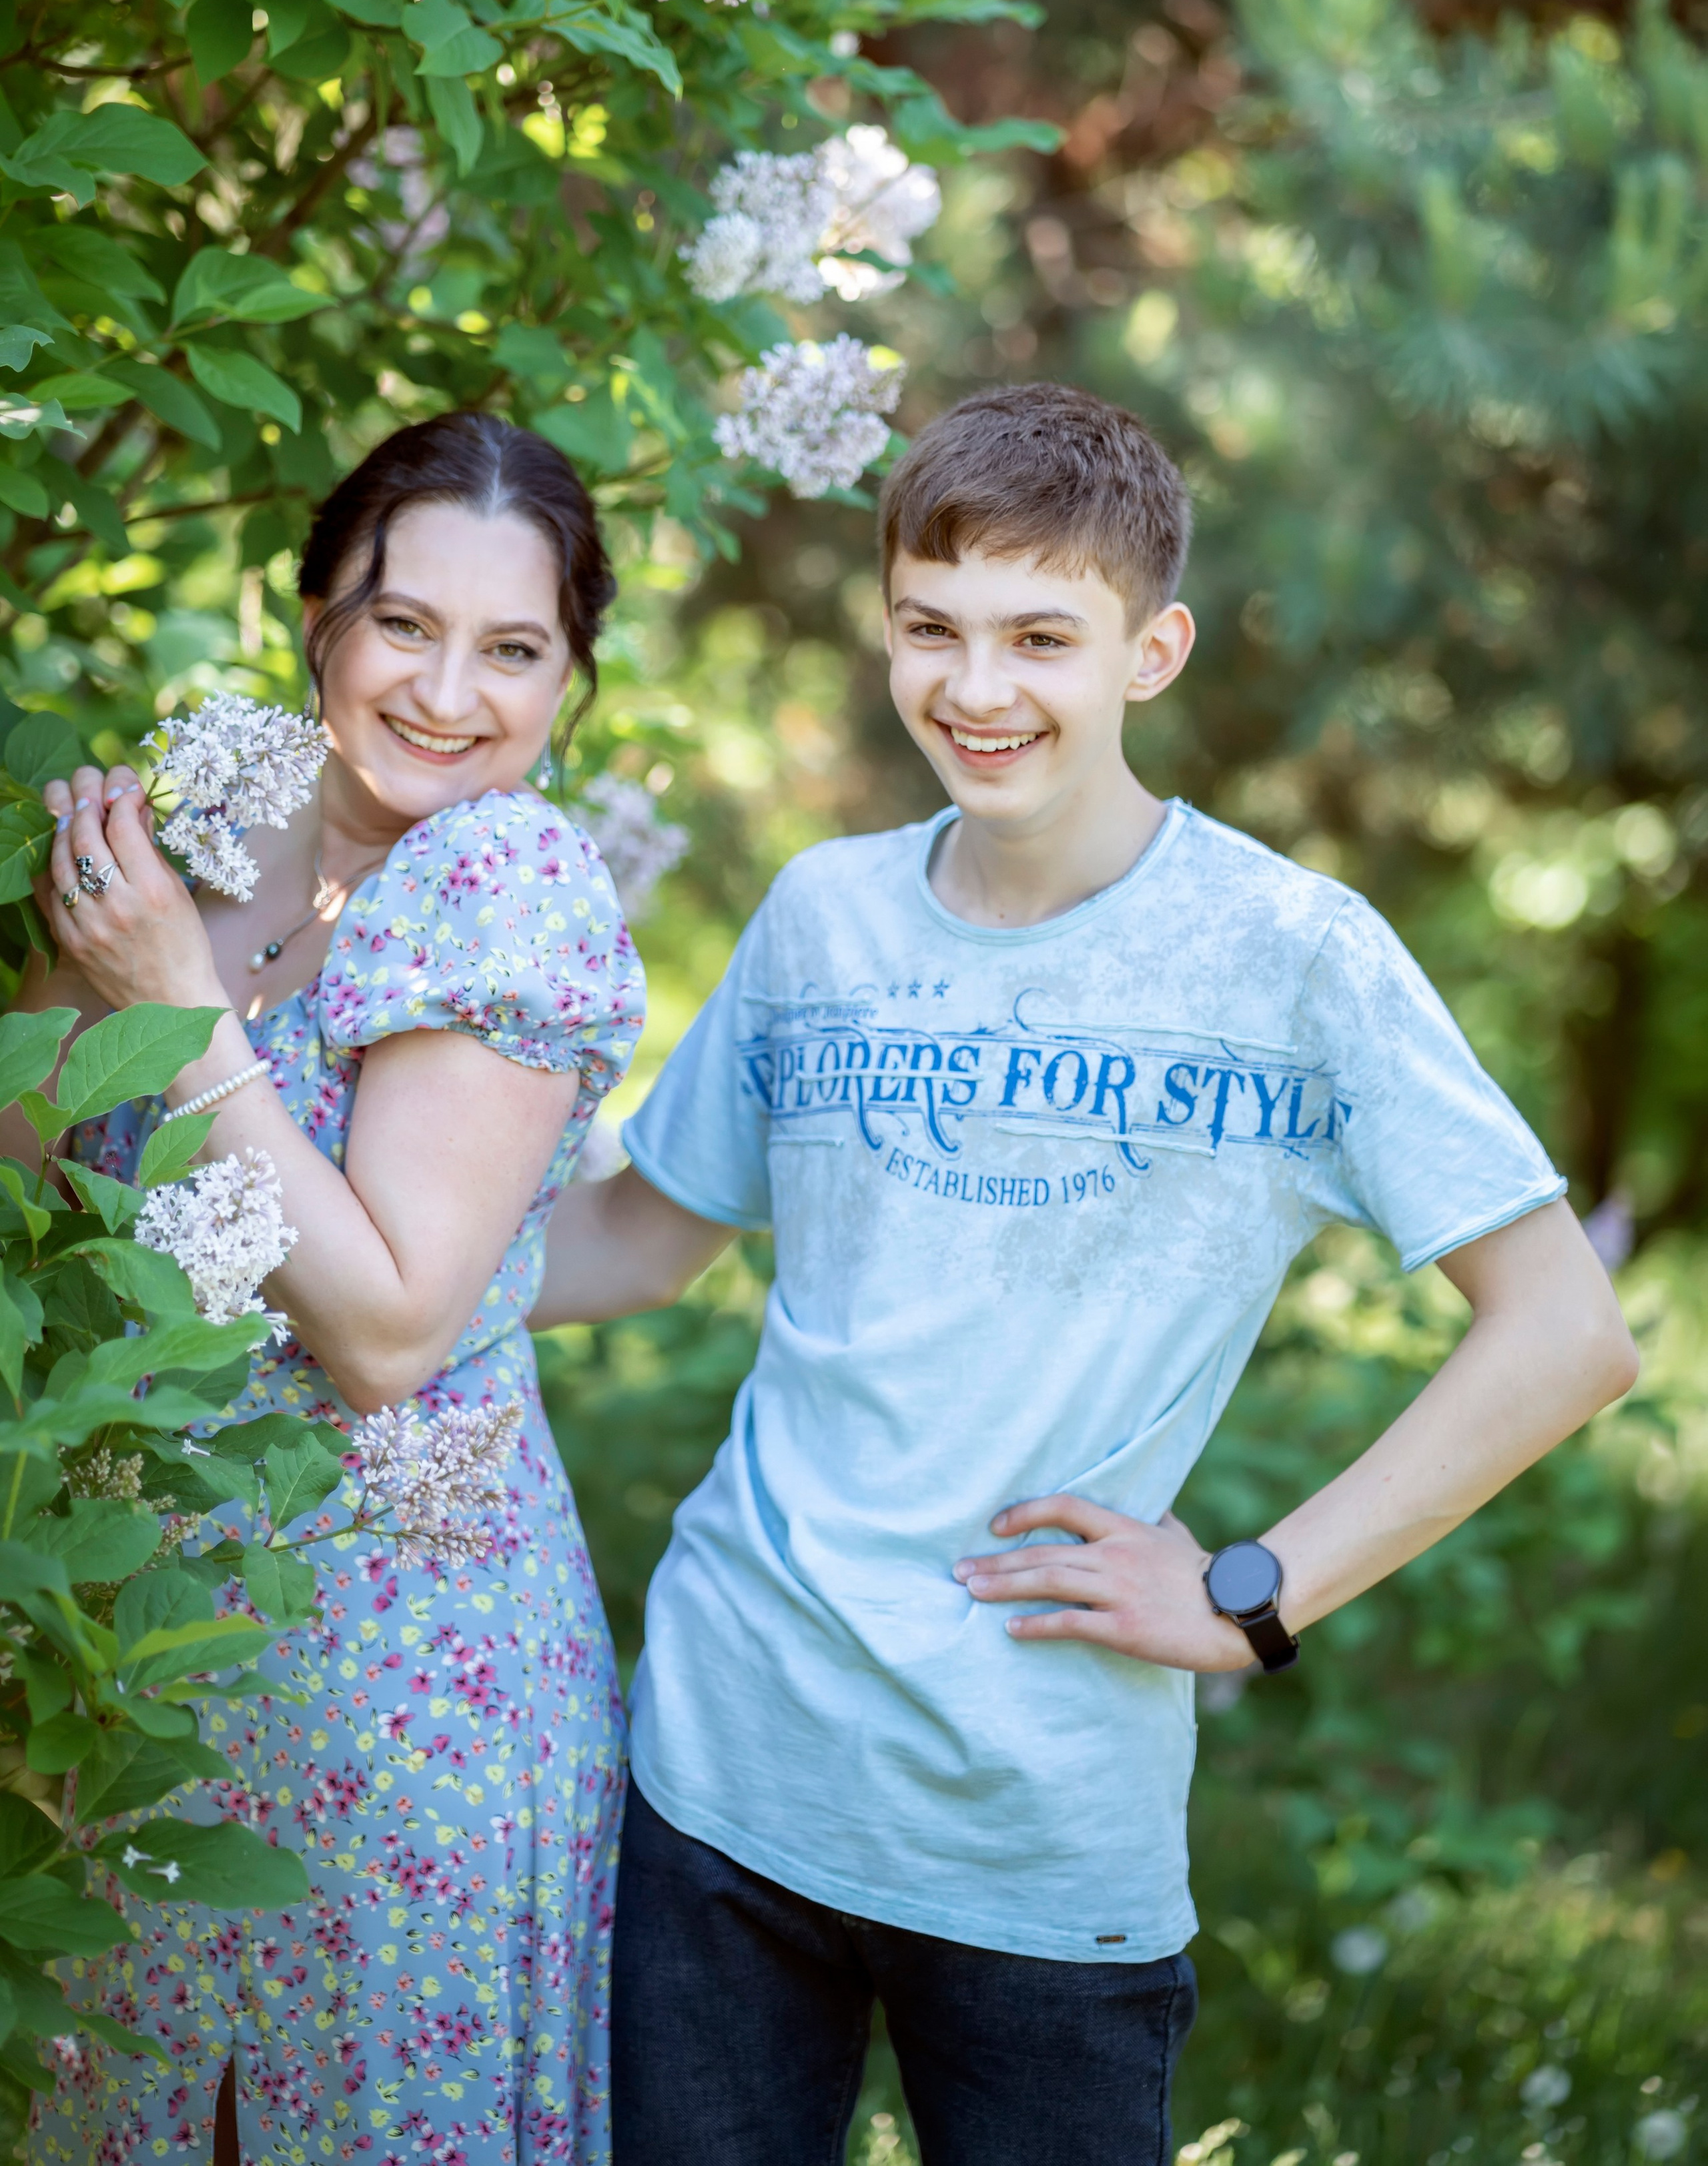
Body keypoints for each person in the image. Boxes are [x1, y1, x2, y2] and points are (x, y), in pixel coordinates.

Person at [526, 382, 1639, 2166]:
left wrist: (1255, 1594)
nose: (978, 688)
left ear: (1153, 648)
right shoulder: (824, 915)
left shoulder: (1287, 953)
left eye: (1042, 635)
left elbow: (1569, 1333)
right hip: (723, 1777)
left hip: (1039, 1828)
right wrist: (301, 1253)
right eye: (932, 631)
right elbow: (642, 1239)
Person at [17, 415, 643, 2166]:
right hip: (140, 1658)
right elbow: (38, 1189)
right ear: (314, 619)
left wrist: (171, 995)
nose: (450, 691)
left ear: (570, 680)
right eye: (404, 623)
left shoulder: (503, 881)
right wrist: (80, 962)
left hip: (402, 1680)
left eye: (515, 649)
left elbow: (383, 1326)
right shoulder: (211, 830)